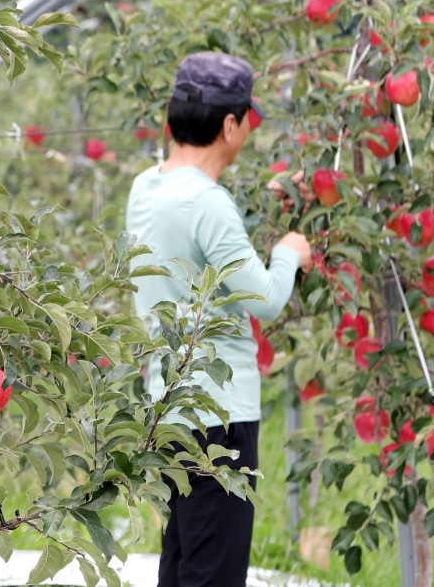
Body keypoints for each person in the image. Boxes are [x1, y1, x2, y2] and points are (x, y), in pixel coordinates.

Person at [124, 52, 313, 586]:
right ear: (230, 125)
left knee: (183, 564)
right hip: (219, 419)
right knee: (213, 575)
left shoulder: (148, 187)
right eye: (247, 118)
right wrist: (290, 252)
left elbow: (199, 247)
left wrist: (258, 205)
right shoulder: (209, 204)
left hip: (170, 408)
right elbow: (267, 299)